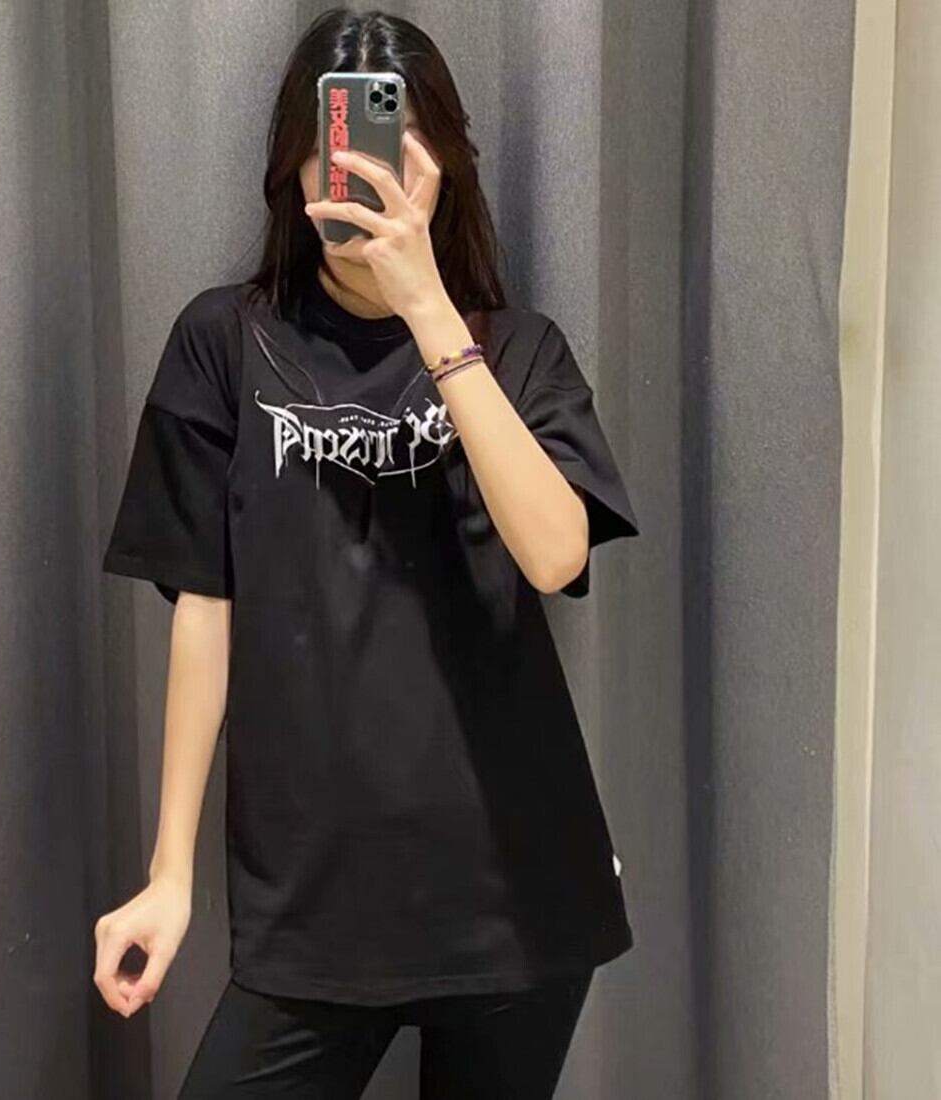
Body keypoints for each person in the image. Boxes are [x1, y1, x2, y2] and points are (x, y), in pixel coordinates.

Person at [95, 8, 640, 1098]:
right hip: (314, 901)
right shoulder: (223, 341)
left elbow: (552, 553)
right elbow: (206, 606)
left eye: (390, 149)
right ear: (292, 168)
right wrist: (169, 874)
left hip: (515, 896)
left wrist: (427, 306)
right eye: (331, 150)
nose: (356, 178)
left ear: (441, 167)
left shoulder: (517, 351)